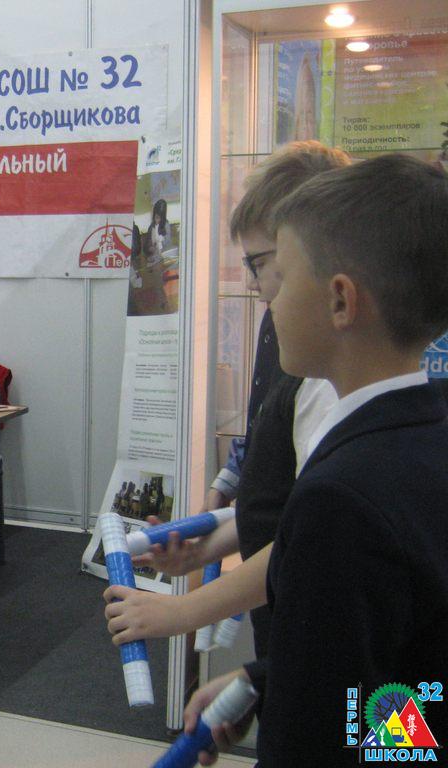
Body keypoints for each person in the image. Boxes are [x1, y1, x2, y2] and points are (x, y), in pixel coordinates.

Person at [186, 154, 448, 766]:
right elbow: (400, 671)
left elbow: (324, 740)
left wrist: (300, 698)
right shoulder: (423, 434)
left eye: (285, 277)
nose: (270, 302)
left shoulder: (341, 500)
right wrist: (269, 679)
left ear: (339, 301)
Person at [104, 142, 346, 660]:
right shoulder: (298, 356)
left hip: (326, 644)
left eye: (261, 265)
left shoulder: (333, 391)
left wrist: (184, 612)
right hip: (296, 635)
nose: (255, 288)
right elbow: (286, 498)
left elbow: (307, 540)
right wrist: (208, 544)